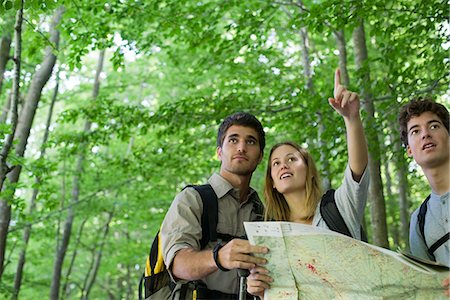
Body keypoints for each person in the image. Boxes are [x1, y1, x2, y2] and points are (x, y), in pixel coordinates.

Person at [247, 68, 370, 298]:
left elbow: (357, 170)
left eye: (291, 159)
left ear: (309, 171)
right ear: (272, 182)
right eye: (276, 164)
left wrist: (352, 118)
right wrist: (258, 291)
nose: (283, 165)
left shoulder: (338, 209)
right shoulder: (270, 237)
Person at [159, 111, 269, 299]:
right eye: (233, 140)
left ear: (260, 157)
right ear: (219, 152)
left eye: (250, 141)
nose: (241, 147)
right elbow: (177, 264)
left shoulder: (262, 212)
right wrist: (218, 258)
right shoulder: (193, 199)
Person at [398, 98, 449, 296]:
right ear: (409, 150)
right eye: (415, 131)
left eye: (434, 126)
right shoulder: (419, 220)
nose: (426, 134)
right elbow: (427, 290)